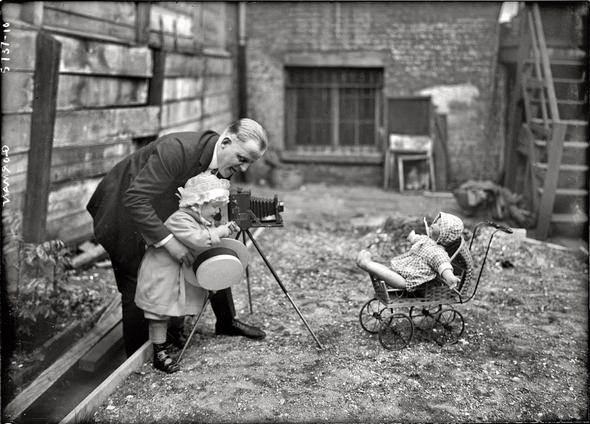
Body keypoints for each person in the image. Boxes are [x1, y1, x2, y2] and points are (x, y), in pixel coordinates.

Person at [86, 118, 268, 356]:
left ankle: (225, 322)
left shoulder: (225, 162)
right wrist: (170, 243)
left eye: (249, 163)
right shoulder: (177, 149)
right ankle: (140, 356)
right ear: (225, 142)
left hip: (163, 208)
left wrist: (214, 232)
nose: (243, 169)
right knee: (139, 280)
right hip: (120, 210)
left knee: (214, 250)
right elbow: (135, 199)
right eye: (242, 159)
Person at [135, 172, 239, 373]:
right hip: (162, 273)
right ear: (199, 203)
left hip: (177, 271)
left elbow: (204, 238)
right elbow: (198, 240)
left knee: (178, 304)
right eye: (215, 207)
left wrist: (220, 231)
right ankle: (159, 352)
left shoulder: (198, 219)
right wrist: (220, 232)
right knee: (160, 312)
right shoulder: (179, 219)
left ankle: (175, 335)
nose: (217, 213)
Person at [356, 212, 463, 291]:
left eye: (439, 225)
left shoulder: (438, 252)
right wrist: (411, 236)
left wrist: (450, 277)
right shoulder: (427, 240)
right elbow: (417, 238)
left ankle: (367, 264)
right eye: (437, 222)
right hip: (406, 268)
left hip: (412, 278)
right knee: (389, 270)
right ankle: (369, 263)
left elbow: (443, 265)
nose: (434, 225)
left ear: (445, 234)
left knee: (399, 282)